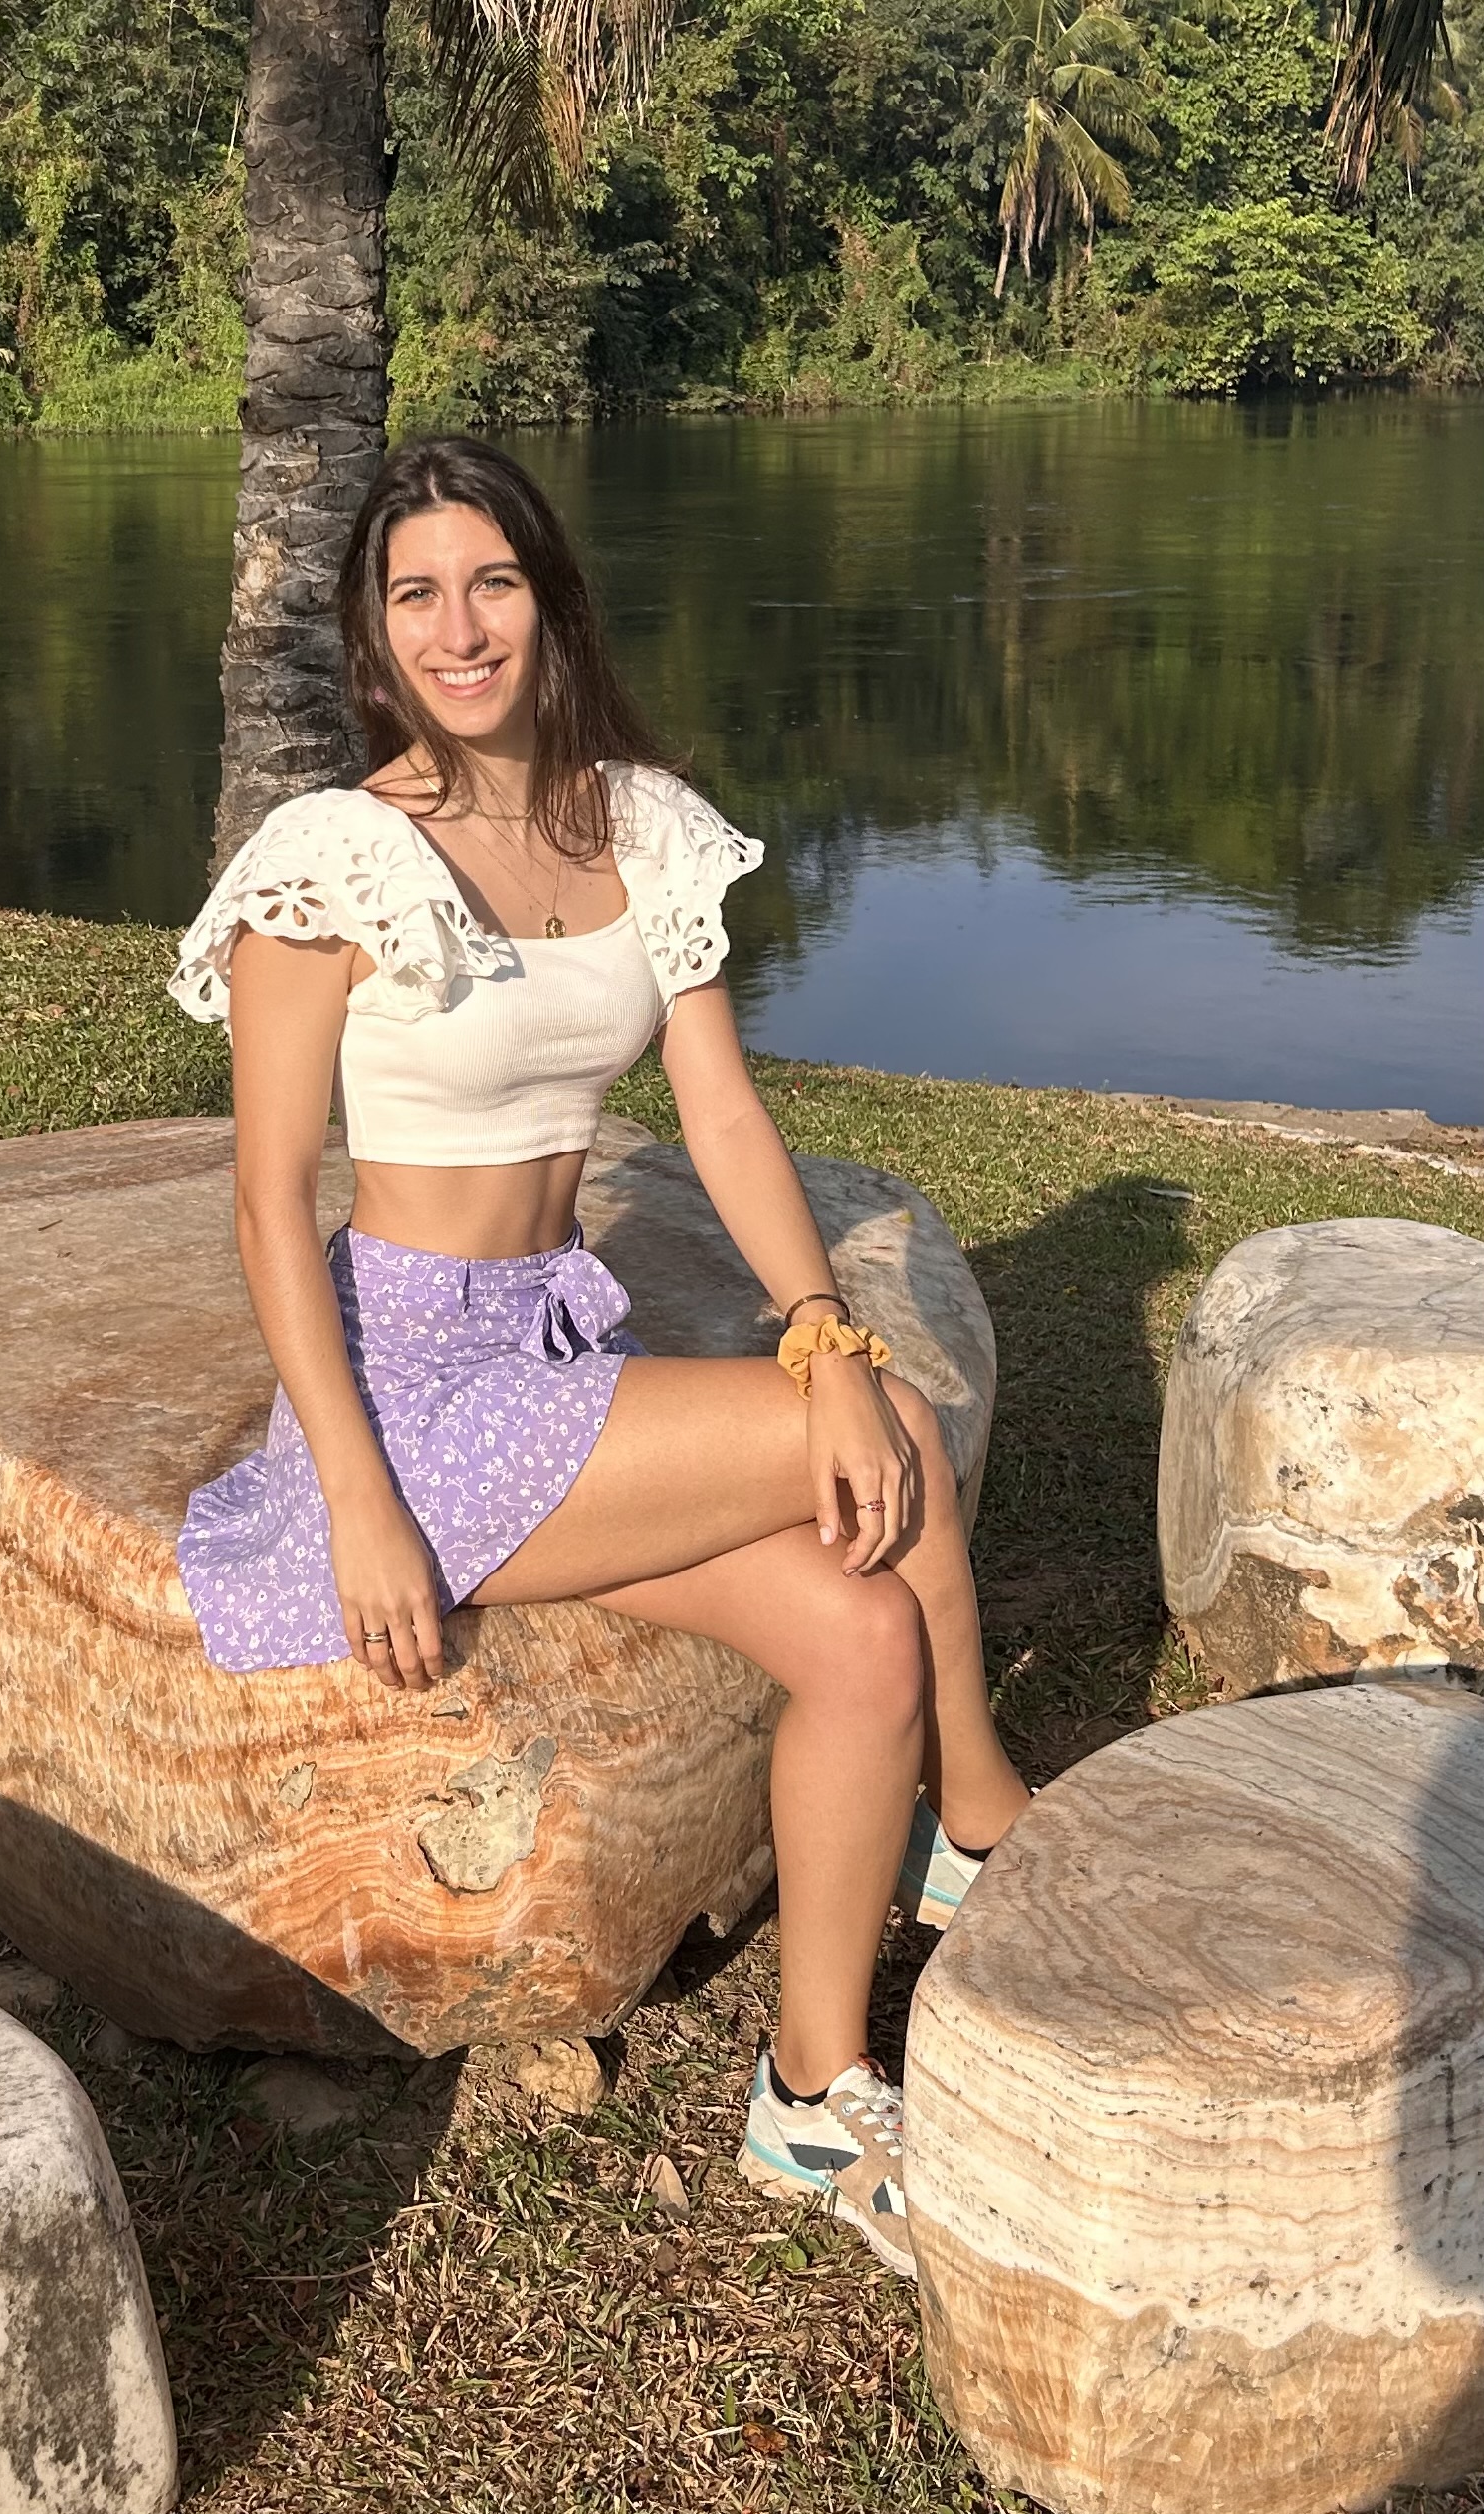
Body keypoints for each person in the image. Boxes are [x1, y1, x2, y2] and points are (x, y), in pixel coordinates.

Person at [169, 435, 1029, 2278]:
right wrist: (357, 1500)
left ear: (547, 600)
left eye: (490, 582)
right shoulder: (331, 862)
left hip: (557, 1344)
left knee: (862, 1629)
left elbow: (718, 1114)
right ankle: (985, 1832)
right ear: (373, 634)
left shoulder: (636, 824)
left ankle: (812, 2089)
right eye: (415, 594)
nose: (458, 627)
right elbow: (264, 1205)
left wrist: (816, 1324)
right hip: (413, 1388)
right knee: (882, 1435)